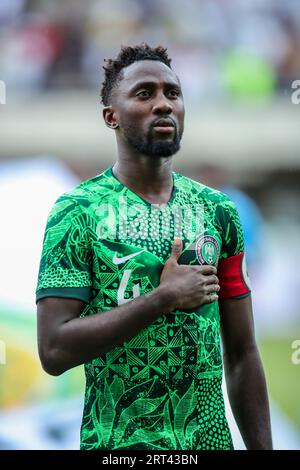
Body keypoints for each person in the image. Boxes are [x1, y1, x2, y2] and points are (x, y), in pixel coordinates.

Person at [36, 43, 272, 450]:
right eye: (144, 94)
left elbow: (242, 354)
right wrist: (162, 299)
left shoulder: (218, 212)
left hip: (208, 444)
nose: (163, 104)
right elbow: (54, 350)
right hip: (118, 447)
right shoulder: (77, 212)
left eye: (172, 93)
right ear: (111, 116)